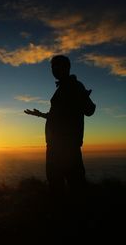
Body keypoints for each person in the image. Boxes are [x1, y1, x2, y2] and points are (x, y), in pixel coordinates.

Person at [24, 55, 96, 198]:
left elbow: (90, 110)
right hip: (55, 145)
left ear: (67, 68)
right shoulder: (62, 88)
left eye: (58, 66)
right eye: (53, 67)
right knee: (57, 183)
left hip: (67, 146)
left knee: (74, 184)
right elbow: (59, 116)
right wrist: (40, 115)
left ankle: (79, 216)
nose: (55, 70)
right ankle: (64, 214)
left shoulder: (75, 86)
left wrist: (83, 97)